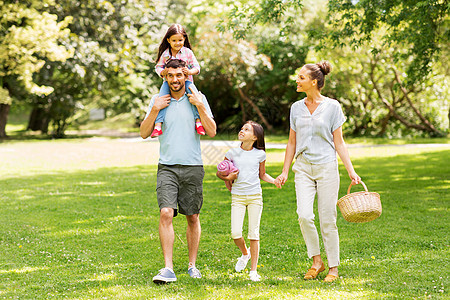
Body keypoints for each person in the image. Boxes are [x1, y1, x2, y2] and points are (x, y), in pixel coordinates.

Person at [275, 61, 361, 283]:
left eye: (301, 77)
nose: (297, 80)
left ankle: (333, 267)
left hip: (326, 167)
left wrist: (351, 170)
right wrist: (285, 171)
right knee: (304, 215)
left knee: (327, 219)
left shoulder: (332, 107)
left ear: (314, 82)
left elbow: (339, 142)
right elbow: (292, 142)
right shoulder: (296, 107)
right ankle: (316, 261)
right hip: (303, 167)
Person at [140, 58, 216, 284]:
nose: (175, 80)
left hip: (193, 166)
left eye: (179, 75)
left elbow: (211, 131)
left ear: (185, 76)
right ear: (165, 77)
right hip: (167, 167)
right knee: (166, 213)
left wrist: (200, 105)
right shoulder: (157, 100)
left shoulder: (197, 99)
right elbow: (144, 133)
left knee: (192, 216)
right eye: (170, 76)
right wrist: (155, 109)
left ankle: (192, 265)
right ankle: (168, 268)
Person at [217, 121, 278, 282]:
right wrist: (228, 179)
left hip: (255, 197)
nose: (242, 131)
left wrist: (274, 181)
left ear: (255, 137)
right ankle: (245, 253)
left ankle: (253, 271)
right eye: (242, 128)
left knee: (254, 233)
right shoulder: (231, 153)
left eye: (247, 129)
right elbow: (221, 172)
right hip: (237, 197)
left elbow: (262, 174)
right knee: (236, 233)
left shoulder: (260, 154)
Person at [151, 24, 205, 138]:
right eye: (174, 40)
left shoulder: (188, 52)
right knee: (162, 99)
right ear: (168, 40)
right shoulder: (165, 54)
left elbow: (197, 67)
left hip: (187, 82)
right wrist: (163, 72)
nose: (177, 43)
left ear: (184, 39)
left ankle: (198, 122)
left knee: (194, 97)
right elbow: (158, 67)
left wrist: (190, 72)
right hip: (168, 83)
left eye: (180, 40)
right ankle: (158, 125)